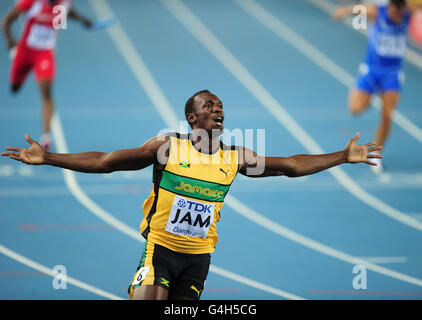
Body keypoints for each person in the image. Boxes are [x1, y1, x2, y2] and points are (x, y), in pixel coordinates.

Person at [1, 90, 383, 300]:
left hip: (199, 261)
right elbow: (105, 161)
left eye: (220, 107)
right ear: (192, 118)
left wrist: (342, 156)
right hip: (160, 252)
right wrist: (48, 156)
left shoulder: (235, 158)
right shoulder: (167, 148)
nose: (217, 109)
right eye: (208, 106)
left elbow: (291, 166)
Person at [333, 0, 422, 174]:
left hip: (392, 74)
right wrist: (343, 11)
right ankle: (370, 95)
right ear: (389, 7)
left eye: (400, 13)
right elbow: (356, 9)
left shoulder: (408, 10)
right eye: (394, 13)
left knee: (387, 116)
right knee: (355, 109)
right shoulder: (376, 11)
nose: (397, 16)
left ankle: (376, 154)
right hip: (371, 70)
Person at [1, 0, 93, 150]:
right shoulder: (31, 2)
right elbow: (6, 21)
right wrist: (10, 41)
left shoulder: (64, 4)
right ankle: (22, 72)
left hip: (45, 53)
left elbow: (69, 12)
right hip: (25, 51)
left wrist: (84, 20)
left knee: (46, 93)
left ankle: (46, 136)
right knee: (14, 88)